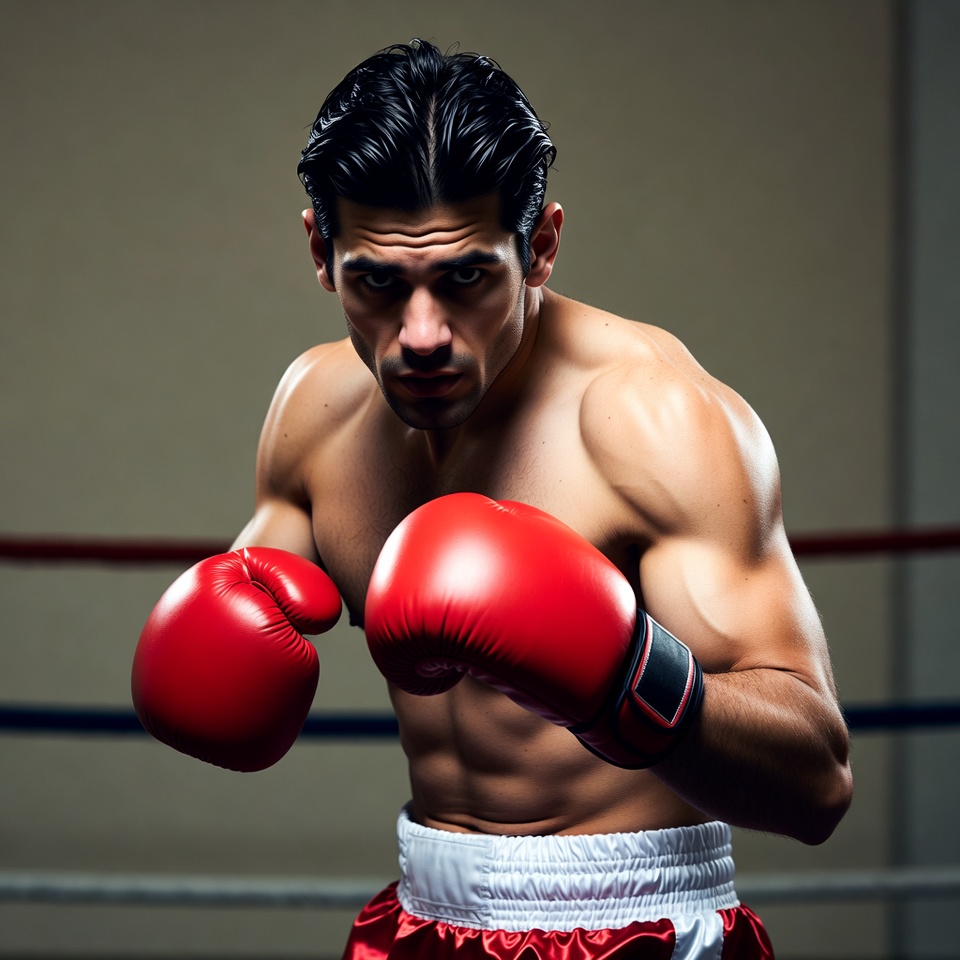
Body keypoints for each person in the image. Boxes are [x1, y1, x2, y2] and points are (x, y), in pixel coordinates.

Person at [132, 39, 853, 959]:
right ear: (322, 252)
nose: (420, 335)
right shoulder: (313, 412)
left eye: (466, 277)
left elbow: (818, 782)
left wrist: (618, 674)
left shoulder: (654, 421)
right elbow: (226, 652)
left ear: (540, 247)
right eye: (378, 284)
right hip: (423, 916)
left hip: (631, 925)